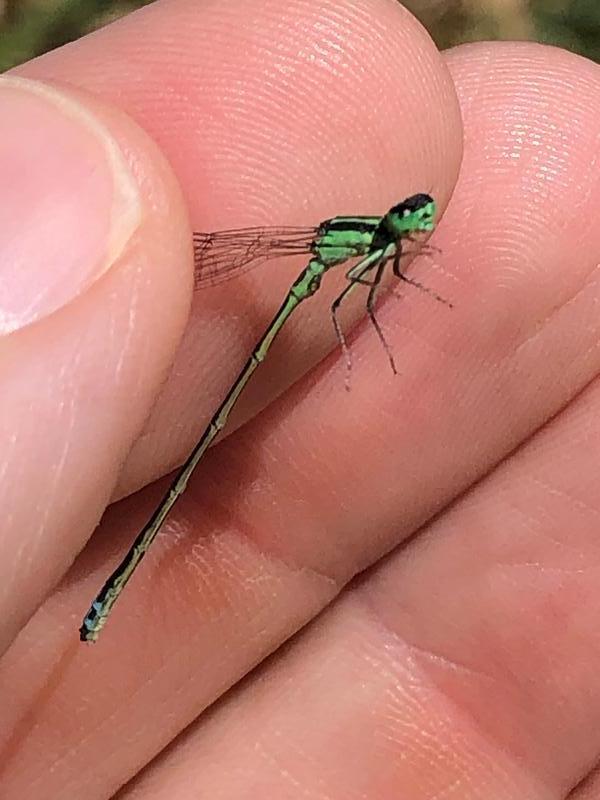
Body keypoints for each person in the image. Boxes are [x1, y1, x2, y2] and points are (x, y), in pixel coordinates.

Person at [2, 2, 600, 798]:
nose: (414, 228)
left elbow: (379, 274)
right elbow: (346, 301)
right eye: (406, 221)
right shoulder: (352, 247)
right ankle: (107, 596)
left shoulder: (382, 245)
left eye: (414, 221)